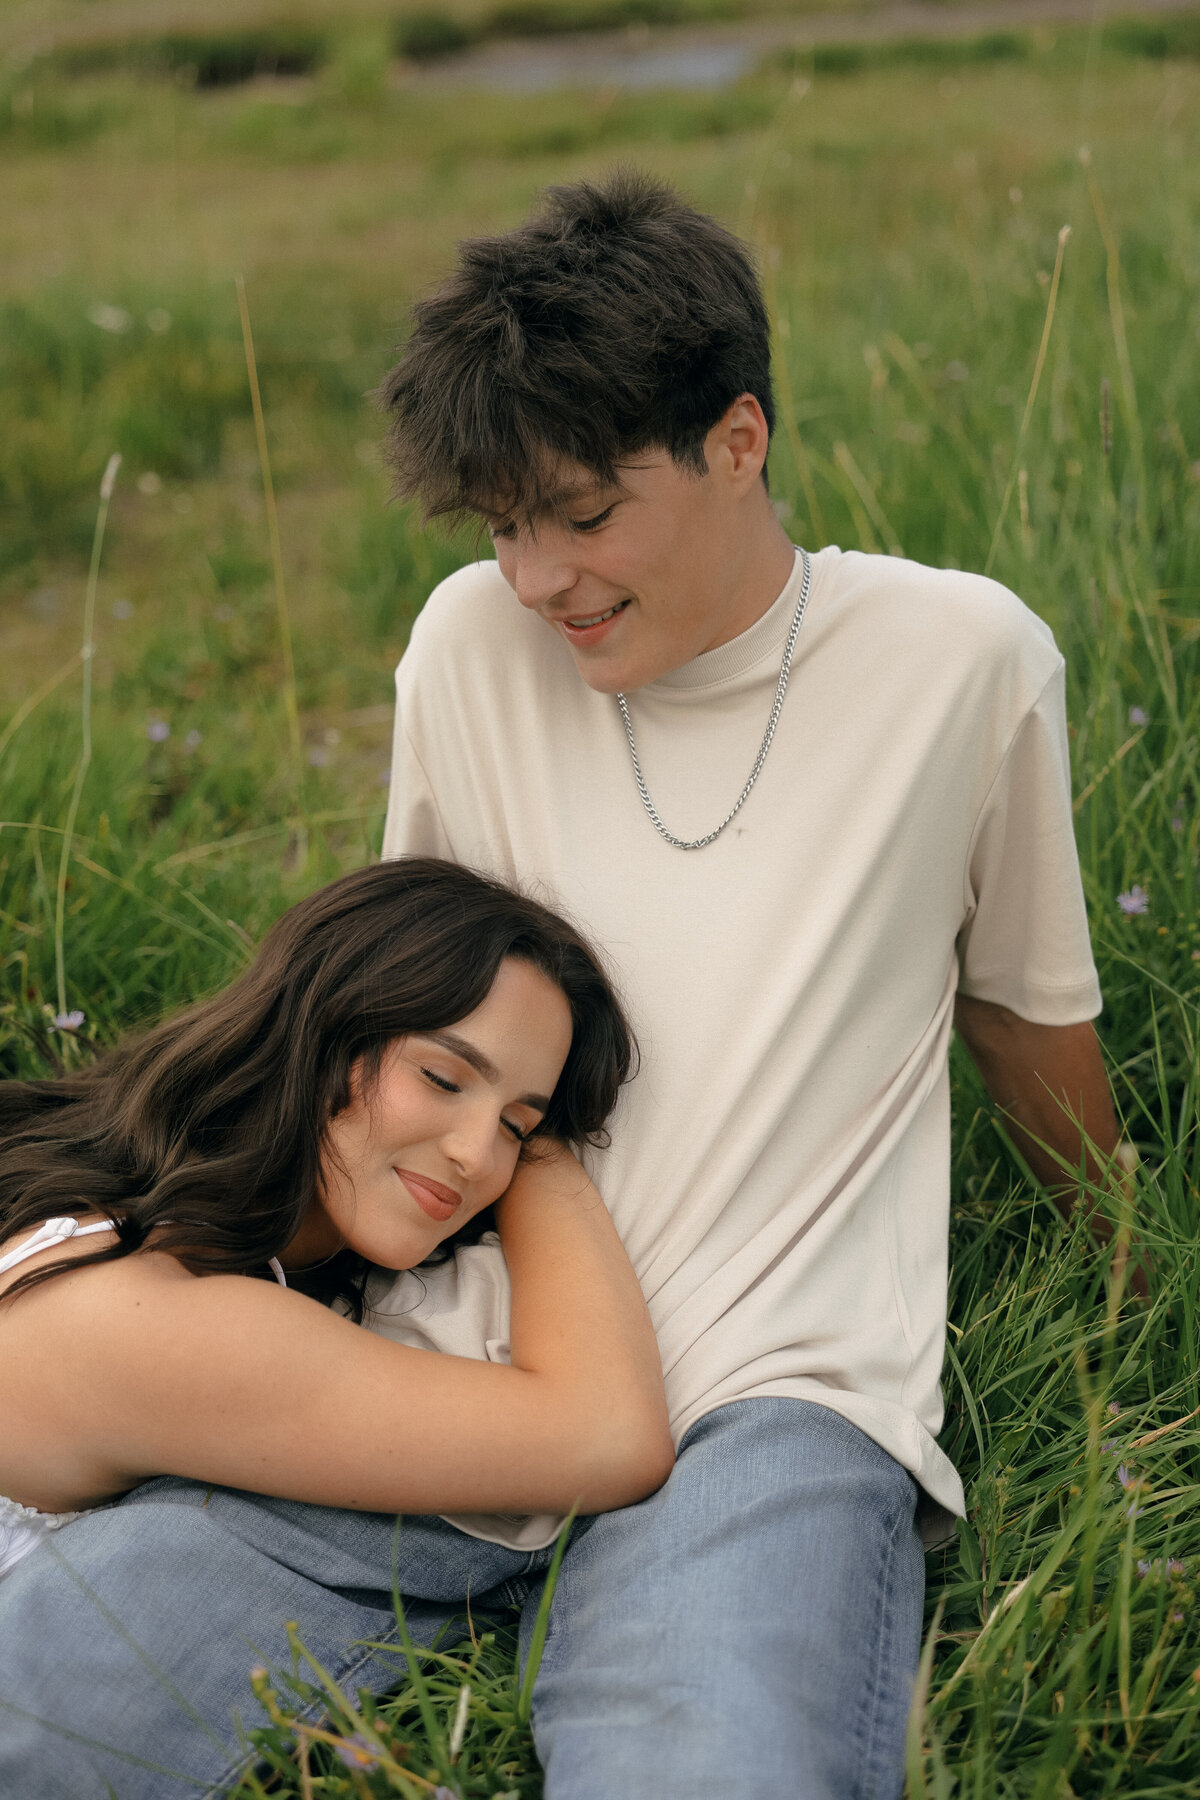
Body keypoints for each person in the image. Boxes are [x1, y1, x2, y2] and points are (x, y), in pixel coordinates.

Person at [0, 171, 1126, 1800]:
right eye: (503, 525)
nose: (538, 577)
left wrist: (1120, 1278)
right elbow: (412, 1002)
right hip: (444, 1373)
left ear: (738, 442)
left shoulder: (964, 663)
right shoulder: (470, 645)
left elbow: (1027, 1012)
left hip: (769, 1390)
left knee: (712, 1764)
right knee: (38, 1703)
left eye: (583, 515)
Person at [0, 860, 672, 1779]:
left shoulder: (143, 1194)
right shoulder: (162, 1318)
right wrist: (552, 1161)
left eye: (517, 1124)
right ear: (320, 1034)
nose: (479, 1156)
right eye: (442, 1078)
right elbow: (609, 1434)